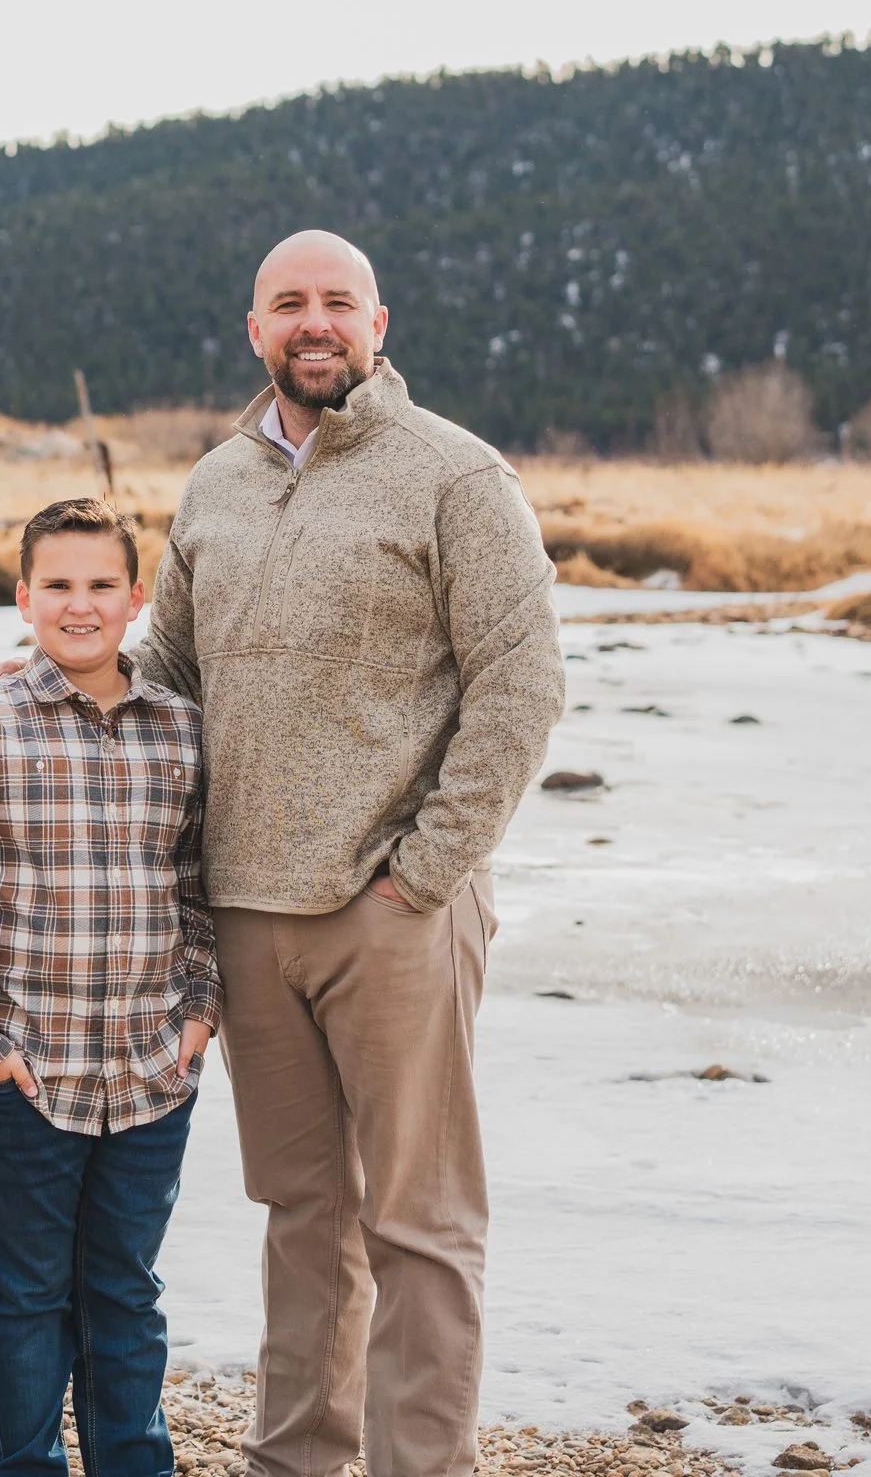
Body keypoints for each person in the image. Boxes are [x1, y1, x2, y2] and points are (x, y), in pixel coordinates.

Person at [144, 232, 564, 1477]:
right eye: (290, 303)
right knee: (301, 1216)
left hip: (394, 911)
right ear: (254, 329)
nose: (313, 321)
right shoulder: (215, 481)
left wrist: (424, 874)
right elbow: (167, 678)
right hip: (246, 913)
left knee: (420, 1222)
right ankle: (293, 1462)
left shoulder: (454, 474)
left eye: (337, 302)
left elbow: (522, 682)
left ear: (378, 324)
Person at [0, 496, 218, 1477]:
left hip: (147, 1069)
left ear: (136, 598)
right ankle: (25, 1464)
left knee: (124, 1291)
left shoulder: (179, 729)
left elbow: (198, 882)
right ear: (22, 596)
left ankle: (134, 1463)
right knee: (24, 1292)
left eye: (99, 586)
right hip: (26, 1073)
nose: (78, 605)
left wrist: (200, 1008)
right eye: (57, 585)